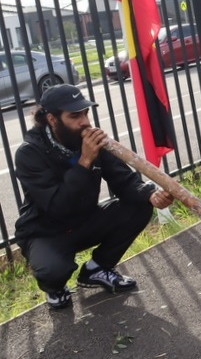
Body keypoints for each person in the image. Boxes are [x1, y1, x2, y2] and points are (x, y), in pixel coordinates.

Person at [14, 84, 174, 310]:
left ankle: (97, 269)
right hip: (46, 231)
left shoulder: (89, 139)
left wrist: (150, 195)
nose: (85, 121)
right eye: (75, 115)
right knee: (53, 271)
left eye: (86, 113)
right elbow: (57, 206)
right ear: (52, 119)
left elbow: (124, 180)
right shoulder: (29, 153)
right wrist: (84, 162)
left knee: (139, 205)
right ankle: (56, 287)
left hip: (84, 220)